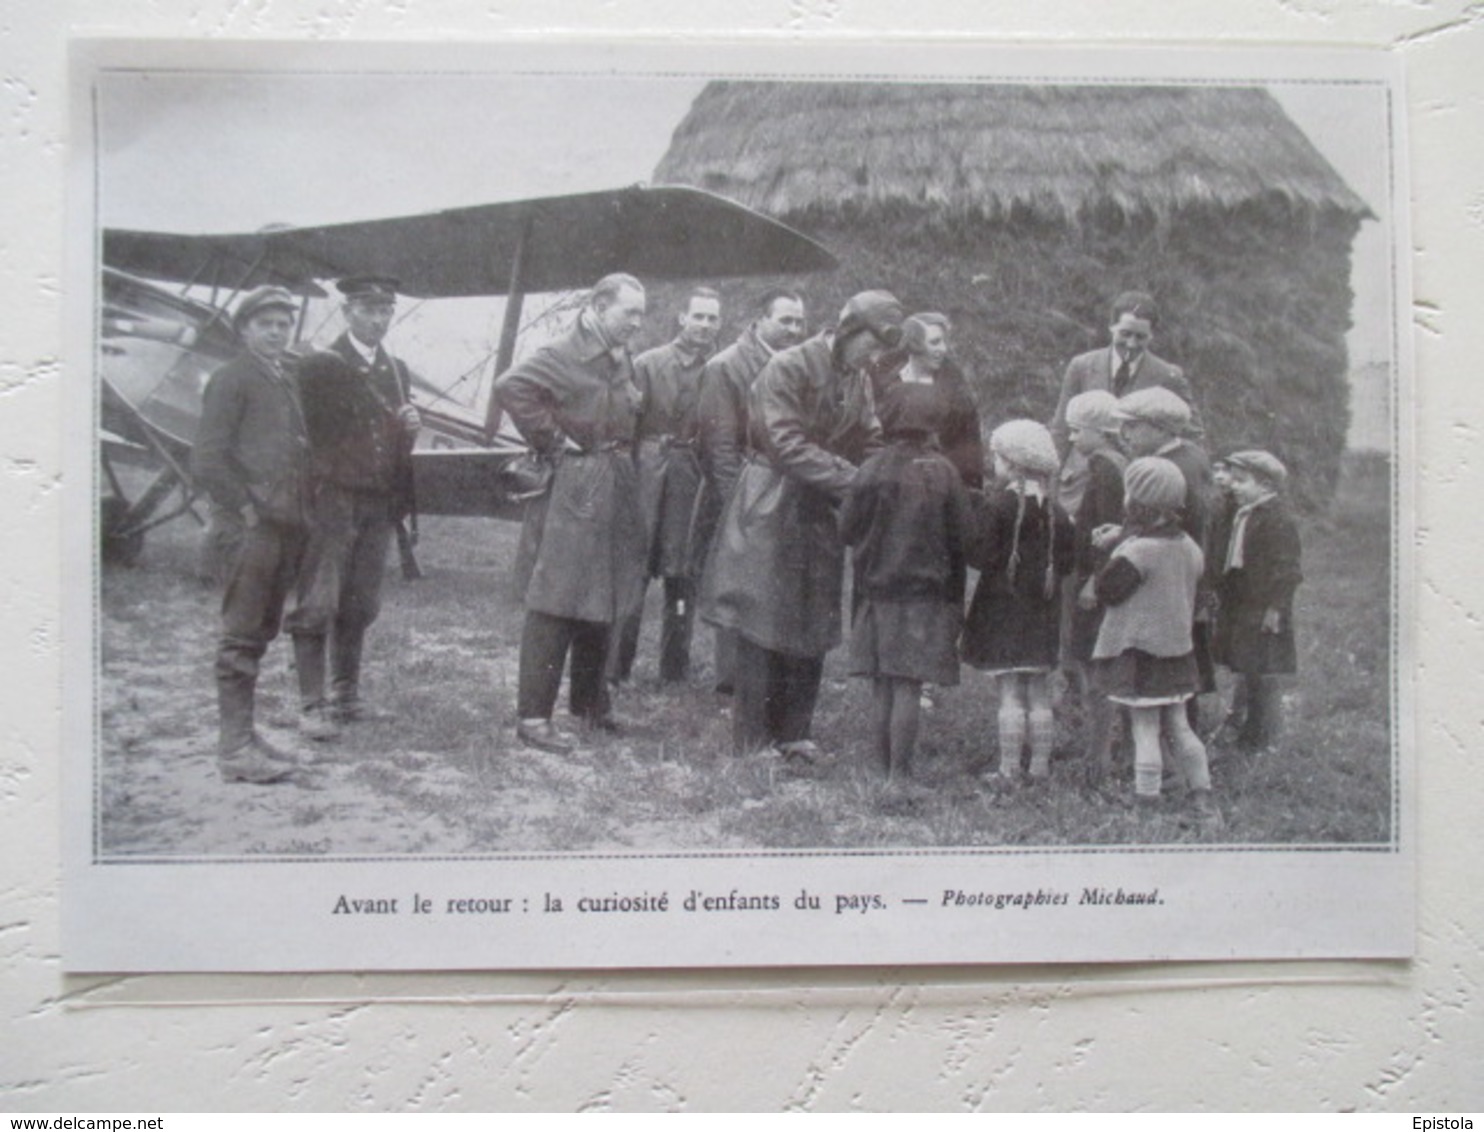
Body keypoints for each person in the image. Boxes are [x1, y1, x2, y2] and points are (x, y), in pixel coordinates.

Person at [700, 290, 900, 761]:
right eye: (871, 344)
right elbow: (784, 442)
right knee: (762, 620)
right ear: (850, 330)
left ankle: (794, 732)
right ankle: (753, 739)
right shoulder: (789, 366)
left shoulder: (858, 377)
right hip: (773, 500)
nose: (875, 357)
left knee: (814, 616)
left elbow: (870, 437)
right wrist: (856, 481)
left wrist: (877, 476)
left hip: (820, 506)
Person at [494, 273, 647, 753]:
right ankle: (534, 717)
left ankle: (589, 704)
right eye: (630, 313)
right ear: (600, 307)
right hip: (578, 487)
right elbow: (511, 386)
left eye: (641, 314)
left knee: (604, 592)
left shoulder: (619, 355)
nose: (637, 323)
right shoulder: (563, 352)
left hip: (616, 481)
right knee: (557, 597)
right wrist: (556, 442)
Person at [192, 285, 313, 784]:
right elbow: (207, 457)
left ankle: (248, 735)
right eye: (267, 323)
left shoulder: (283, 377)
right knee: (240, 634)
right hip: (251, 527)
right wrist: (242, 509)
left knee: (261, 631)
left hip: (283, 523)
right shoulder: (231, 378)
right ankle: (234, 749)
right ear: (245, 329)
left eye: (285, 323)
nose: (278, 331)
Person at [292, 276, 421, 738]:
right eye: (368, 310)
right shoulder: (318, 366)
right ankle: (311, 705)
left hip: (378, 501)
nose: (379, 319)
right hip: (334, 497)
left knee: (362, 602)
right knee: (319, 599)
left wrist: (410, 427)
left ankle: (345, 695)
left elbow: (392, 444)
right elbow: (315, 435)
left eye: (386, 310)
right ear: (347, 313)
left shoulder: (397, 370)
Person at [840, 383, 974, 783]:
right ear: (934, 423)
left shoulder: (871, 468)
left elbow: (847, 529)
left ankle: (880, 768)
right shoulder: (944, 472)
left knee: (881, 683)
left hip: (875, 592)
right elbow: (965, 538)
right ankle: (901, 773)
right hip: (923, 596)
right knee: (908, 685)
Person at [1089, 457, 1220, 827]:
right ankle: (1203, 800)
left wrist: (1107, 551)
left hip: (1139, 654)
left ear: (1136, 502)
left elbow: (1108, 591)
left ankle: (1146, 805)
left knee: (1144, 728)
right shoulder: (1188, 546)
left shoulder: (1138, 552)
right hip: (1177, 654)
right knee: (1180, 728)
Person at [693, 287, 807, 694]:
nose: (794, 329)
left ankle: (767, 673)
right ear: (760, 320)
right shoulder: (726, 367)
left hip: (778, 491)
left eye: (799, 322)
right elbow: (719, 446)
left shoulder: (796, 364)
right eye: (785, 321)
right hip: (739, 492)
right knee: (736, 585)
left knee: (769, 584)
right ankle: (732, 680)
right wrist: (734, 508)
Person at [609, 286, 721, 686]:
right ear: (682, 318)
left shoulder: (718, 371)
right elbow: (626, 427)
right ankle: (615, 667)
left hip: (691, 476)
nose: (705, 326)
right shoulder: (648, 364)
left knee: (682, 574)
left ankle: (674, 671)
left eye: (713, 319)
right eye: (699, 316)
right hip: (647, 472)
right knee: (634, 568)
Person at [961, 420, 1075, 783]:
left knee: (1010, 690)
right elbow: (1069, 563)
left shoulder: (998, 506)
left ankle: (1009, 769)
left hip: (1002, 610)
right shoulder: (1058, 514)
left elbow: (979, 556)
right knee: (1038, 691)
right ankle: (1040, 768)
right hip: (1043, 612)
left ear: (1011, 464)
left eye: (996, 457)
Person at [1212, 450, 1303, 756]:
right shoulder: (1244, 512)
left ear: (1266, 485)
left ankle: (1263, 736)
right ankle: (1246, 725)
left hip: (1263, 604)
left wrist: (1275, 609)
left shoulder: (1277, 520)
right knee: (1246, 663)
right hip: (1242, 598)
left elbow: (1287, 569)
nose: (1233, 486)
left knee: (1263, 670)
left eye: (1241, 481)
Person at [1050, 290, 1202, 465]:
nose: (1131, 343)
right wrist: (1050, 482)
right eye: (1125, 334)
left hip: (1136, 478)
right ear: (1111, 327)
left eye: (1140, 337)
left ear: (1152, 335)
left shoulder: (1168, 375)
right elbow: (1061, 429)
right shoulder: (1082, 366)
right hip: (1083, 478)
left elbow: (1192, 435)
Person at [1062, 391, 1129, 783]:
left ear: (1099, 431)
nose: (1072, 439)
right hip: (1098, 578)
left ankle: (1098, 756)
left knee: (1096, 669)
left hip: (1096, 584)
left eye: (1076, 431)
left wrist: (1092, 582)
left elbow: (1106, 531)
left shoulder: (1105, 469)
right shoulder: (1111, 463)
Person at [868, 312, 984, 489]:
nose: (943, 349)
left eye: (944, 342)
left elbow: (969, 450)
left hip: (938, 483)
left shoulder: (955, 390)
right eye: (935, 342)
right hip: (888, 480)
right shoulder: (883, 380)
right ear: (914, 345)